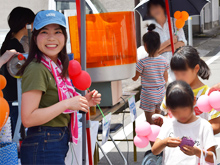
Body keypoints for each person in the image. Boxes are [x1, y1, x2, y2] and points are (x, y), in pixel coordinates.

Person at [17, 10, 101, 164]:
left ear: (64, 37)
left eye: (57, 31)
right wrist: (68, 103)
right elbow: (28, 118)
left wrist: (82, 102)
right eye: (44, 32)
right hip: (43, 143)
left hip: (53, 141)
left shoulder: (57, 66)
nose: (51, 38)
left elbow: (55, 105)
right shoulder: (37, 68)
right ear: (35, 37)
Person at [152, 80, 217, 164]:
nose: (181, 116)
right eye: (175, 112)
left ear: (194, 101)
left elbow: (213, 158)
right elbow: (154, 151)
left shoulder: (204, 126)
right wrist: (164, 142)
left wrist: (197, 152)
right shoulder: (168, 124)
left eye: (185, 110)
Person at [159, 46, 220, 134]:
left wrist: (190, 131)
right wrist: (161, 121)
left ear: (196, 69)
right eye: (176, 73)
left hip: (199, 146)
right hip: (174, 145)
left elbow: (216, 126)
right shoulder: (173, 91)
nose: (179, 77)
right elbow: (167, 115)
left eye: (183, 73)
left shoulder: (209, 95)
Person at [0, 7, 35, 137]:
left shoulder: (10, 42)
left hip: (9, 96)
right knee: (13, 135)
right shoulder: (15, 46)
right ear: (26, 25)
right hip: (14, 98)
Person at [132, 24, 169, 141]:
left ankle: (154, 150)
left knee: (150, 124)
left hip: (148, 94)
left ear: (145, 46)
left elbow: (134, 78)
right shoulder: (164, 61)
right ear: (158, 45)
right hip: (160, 93)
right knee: (158, 122)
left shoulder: (142, 63)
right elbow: (166, 79)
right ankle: (160, 148)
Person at [147, 0, 187, 82]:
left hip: (176, 65)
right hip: (159, 69)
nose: (155, 10)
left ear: (163, 8)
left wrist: (163, 49)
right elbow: (152, 51)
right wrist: (169, 42)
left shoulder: (174, 22)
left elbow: (183, 43)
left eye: (157, 7)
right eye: (152, 9)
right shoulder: (151, 27)